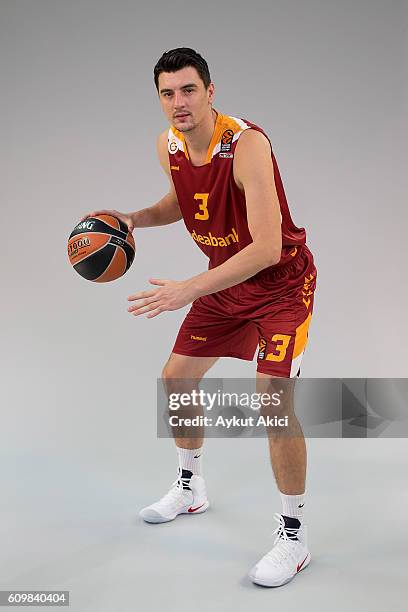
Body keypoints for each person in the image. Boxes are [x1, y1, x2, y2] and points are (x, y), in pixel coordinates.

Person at [81, 47, 317, 588]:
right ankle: (190, 488)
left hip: (280, 284)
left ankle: (293, 535)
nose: (178, 102)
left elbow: (265, 249)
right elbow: (184, 202)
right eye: (167, 93)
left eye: (188, 90)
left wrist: (188, 289)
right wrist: (135, 217)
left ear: (211, 92)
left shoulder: (248, 146)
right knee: (176, 381)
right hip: (226, 279)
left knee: (272, 402)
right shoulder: (168, 145)